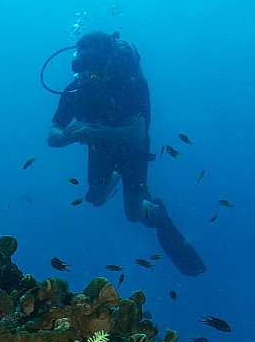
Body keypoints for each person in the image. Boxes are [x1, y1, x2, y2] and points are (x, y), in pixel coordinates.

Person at [47, 31, 205, 276]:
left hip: (132, 151)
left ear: (108, 60)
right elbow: (52, 137)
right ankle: (117, 175)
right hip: (100, 147)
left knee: (132, 214)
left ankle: (156, 211)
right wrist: (73, 135)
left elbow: (137, 134)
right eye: (82, 66)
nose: (88, 73)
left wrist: (91, 131)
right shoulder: (75, 90)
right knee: (96, 199)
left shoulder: (131, 84)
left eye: (95, 65)